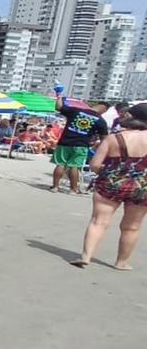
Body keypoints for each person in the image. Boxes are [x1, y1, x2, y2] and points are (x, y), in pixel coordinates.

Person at [71, 103, 147, 269]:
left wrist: (111, 172)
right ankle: (121, 262)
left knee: (99, 221)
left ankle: (86, 256)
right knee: (131, 227)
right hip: (142, 187)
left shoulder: (115, 138)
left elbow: (95, 164)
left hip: (111, 183)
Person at [51, 87, 109, 193]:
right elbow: (105, 138)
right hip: (81, 145)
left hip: (65, 142)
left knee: (60, 164)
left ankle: (55, 186)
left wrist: (59, 96)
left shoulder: (77, 110)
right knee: (74, 166)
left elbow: (59, 107)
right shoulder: (101, 121)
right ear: (104, 110)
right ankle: (73, 189)